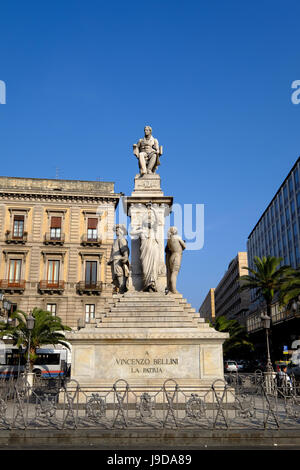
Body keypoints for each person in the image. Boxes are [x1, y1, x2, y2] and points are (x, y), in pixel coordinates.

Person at [130, 210, 160, 292]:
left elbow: (157, 221)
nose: (149, 222)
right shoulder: (141, 232)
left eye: (150, 221)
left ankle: (152, 285)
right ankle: (146, 284)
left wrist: (153, 211)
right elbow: (131, 232)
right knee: (145, 269)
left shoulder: (153, 231)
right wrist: (141, 228)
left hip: (153, 251)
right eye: (147, 221)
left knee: (153, 269)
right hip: (144, 253)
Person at [107, 224, 130, 294]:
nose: (116, 230)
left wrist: (125, 256)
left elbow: (124, 248)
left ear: (121, 231)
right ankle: (120, 288)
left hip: (118, 260)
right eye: (116, 229)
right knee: (115, 277)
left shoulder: (121, 239)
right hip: (114, 260)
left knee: (119, 274)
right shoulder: (117, 239)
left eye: (117, 229)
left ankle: (122, 289)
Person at [165, 227, 186, 294]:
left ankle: (171, 288)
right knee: (175, 273)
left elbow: (169, 248)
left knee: (172, 273)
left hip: (172, 256)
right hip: (177, 255)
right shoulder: (177, 237)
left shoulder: (169, 240)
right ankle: (173, 290)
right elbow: (184, 246)